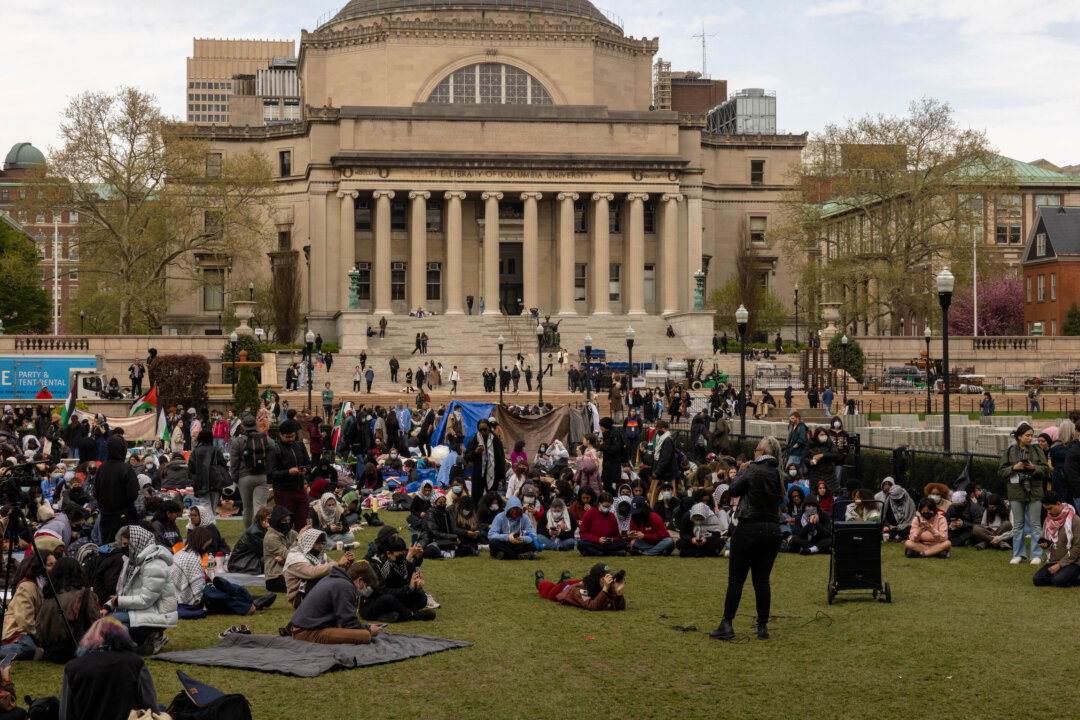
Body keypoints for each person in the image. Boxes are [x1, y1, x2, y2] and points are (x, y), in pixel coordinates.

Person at [711, 436, 785, 642]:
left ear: (762, 452)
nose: (754, 452)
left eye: (756, 449)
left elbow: (733, 490)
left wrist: (742, 470)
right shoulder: (779, 473)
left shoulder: (752, 469)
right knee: (762, 580)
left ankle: (727, 623)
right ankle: (763, 626)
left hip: (749, 527)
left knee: (736, 579)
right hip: (772, 530)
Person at [59, 617, 159, 720]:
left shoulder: (73, 668)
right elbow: (150, 707)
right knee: (162, 707)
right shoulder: (135, 663)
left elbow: (65, 713)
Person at [172, 526, 275, 618]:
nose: (207, 548)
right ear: (201, 542)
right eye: (206, 545)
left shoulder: (182, 553)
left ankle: (252, 599)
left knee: (222, 586)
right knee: (223, 590)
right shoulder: (193, 558)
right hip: (190, 600)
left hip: (178, 597)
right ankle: (251, 602)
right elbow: (199, 592)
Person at [108, 525, 178, 653]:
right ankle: (146, 639)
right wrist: (108, 606)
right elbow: (125, 592)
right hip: (144, 610)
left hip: (157, 613)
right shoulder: (134, 561)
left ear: (137, 543)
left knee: (111, 622)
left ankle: (152, 635)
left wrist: (118, 602)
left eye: (127, 545)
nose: (124, 548)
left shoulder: (154, 565)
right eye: (123, 544)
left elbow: (146, 600)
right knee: (108, 620)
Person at [290, 561, 382, 644]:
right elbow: (349, 623)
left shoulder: (334, 579)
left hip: (303, 629)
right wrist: (369, 630)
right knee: (365, 636)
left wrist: (364, 626)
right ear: (359, 580)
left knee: (361, 631)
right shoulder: (345, 586)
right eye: (365, 585)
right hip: (308, 632)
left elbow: (344, 618)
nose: (365, 589)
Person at [998, 422, 1050, 565]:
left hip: (1035, 491)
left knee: (1035, 524)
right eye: (1027, 435)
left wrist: (1033, 467)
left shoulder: (1037, 450)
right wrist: (1014, 467)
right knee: (1018, 525)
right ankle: (1018, 554)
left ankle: (1036, 555)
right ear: (1019, 437)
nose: (1030, 438)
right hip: (1016, 492)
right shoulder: (1010, 451)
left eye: (1032, 436)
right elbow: (1001, 471)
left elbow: (1046, 470)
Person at [0, 551, 56, 663]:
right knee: (27, 647)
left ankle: (36, 651)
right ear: (40, 567)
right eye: (50, 565)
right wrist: (41, 637)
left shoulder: (48, 585)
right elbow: (24, 621)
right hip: (18, 632)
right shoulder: (27, 586)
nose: (54, 567)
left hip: (33, 632)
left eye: (55, 564)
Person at [284, 528, 353, 609]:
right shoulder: (295, 558)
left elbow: (335, 568)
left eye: (322, 543)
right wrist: (338, 564)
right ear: (307, 542)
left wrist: (346, 564)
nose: (321, 546)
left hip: (314, 593)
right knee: (326, 579)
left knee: (339, 577)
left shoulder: (320, 555)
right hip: (300, 598)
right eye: (317, 543)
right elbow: (313, 572)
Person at [94, 436, 140, 544]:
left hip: (106, 517)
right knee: (126, 550)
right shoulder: (126, 469)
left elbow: (96, 493)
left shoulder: (101, 469)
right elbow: (133, 494)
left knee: (109, 548)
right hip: (125, 517)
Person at [268, 419, 312, 531]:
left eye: (292, 436)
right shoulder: (274, 449)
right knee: (285, 522)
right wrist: (289, 472)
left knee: (302, 520)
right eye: (287, 437)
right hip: (283, 492)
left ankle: (300, 542)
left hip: (300, 489)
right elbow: (271, 473)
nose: (291, 439)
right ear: (280, 435)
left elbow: (308, 465)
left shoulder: (300, 445)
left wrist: (305, 471)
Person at [1032, 492, 1080, 587]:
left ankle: (1066, 578)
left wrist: (1060, 565)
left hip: (1073, 561)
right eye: (1046, 509)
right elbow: (1044, 538)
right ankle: (1062, 579)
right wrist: (1044, 544)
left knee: (1057, 580)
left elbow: (1078, 547)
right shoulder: (1048, 519)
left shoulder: (1075, 520)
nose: (1048, 512)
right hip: (1053, 561)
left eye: (1050, 508)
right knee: (1037, 580)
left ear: (1058, 503)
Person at [534, 563, 626, 611]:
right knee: (548, 590)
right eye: (605, 577)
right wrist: (605, 589)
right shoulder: (580, 590)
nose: (608, 580)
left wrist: (618, 593)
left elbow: (619, 607)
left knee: (568, 581)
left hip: (577, 583)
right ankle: (540, 580)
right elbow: (591, 606)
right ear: (597, 579)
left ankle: (565, 578)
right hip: (565, 590)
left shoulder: (604, 586)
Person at [188, 429, 227, 528]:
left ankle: (211, 528)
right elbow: (223, 464)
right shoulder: (216, 450)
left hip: (201, 482)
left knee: (206, 506)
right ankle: (212, 527)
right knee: (212, 508)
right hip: (216, 481)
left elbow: (191, 468)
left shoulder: (195, 452)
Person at [467, 420, 505, 504]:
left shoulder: (495, 441)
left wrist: (502, 476)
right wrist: (475, 452)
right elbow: (467, 457)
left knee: (491, 500)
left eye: (485, 429)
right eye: (480, 430)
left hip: (492, 474)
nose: (482, 432)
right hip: (478, 474)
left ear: (489, 428)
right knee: (476, 499)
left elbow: (501, 459)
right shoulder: (474, 440)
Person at [577, 492, 627, 557]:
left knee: (622, 543)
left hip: (607, 544)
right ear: (599, 503)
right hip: (594, 542)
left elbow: (616, 535)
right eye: (604, 506)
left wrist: (611, 540)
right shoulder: (590, 513)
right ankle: (608, 553)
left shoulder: (612, 516)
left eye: (608, 507)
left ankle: (594, 552)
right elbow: (583, 533)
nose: (606, 508)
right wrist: (597, 540)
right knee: (581, 543)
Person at [263, 506, 297, 594]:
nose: (287, 523)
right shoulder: (271, 537)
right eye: (284, 521)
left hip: (293, 570)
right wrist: (297, 540)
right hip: (275, 577)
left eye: (289, 520)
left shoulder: (292, 533)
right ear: (277, 521)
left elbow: (303, 551)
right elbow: (289, 555)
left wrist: (285, 560)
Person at [229, 507, 272, 574]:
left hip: (252, 558)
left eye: (269, 519)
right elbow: (268, 549)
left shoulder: (261, 528)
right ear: (260, 519)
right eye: (264, 519)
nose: (265, 522)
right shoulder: (255, 532)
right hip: (241, 563)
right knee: (273, 558)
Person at [876, 477, 916, 542]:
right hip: (892, 527)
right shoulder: (888, 502)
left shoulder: (909, 502)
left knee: (911, 530)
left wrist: (901, 527)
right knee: (885, 530)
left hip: (906, 526)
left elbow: (911, 520)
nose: (896, 501)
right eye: (894, 499)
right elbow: (885, 517)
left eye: (898, 498)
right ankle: (898, 537)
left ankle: (897, 537)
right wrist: (889, 525)